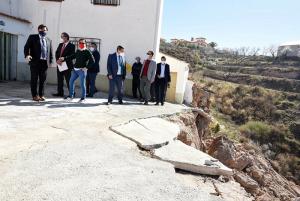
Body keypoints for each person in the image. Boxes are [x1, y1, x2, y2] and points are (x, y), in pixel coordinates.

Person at [24, 24, 53, 101]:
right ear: (39, 30)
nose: (44, 31)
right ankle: (34, 95)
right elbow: (26, 47)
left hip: (44, 63)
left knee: (43, 80)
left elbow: (50, 52)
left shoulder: (48, 40)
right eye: (43, 30)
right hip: (35, 62)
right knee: (34, 79)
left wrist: (50, 61)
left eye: (45, 30)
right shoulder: (32, 37)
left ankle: (41, 95)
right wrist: (27, 55)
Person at [53, 32, 75, 97]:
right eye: (61, 37)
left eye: (63, 36)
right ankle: (60, 93)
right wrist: (57, 60)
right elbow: (57, 53)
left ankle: (71, 93)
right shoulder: (60, 44)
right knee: (59, 79)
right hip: (59, 65)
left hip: (67, 65)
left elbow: (73, 56)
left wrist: (63, 59)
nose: (62, 38)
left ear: (66, 37)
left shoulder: (72, 46)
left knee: (68, 80)